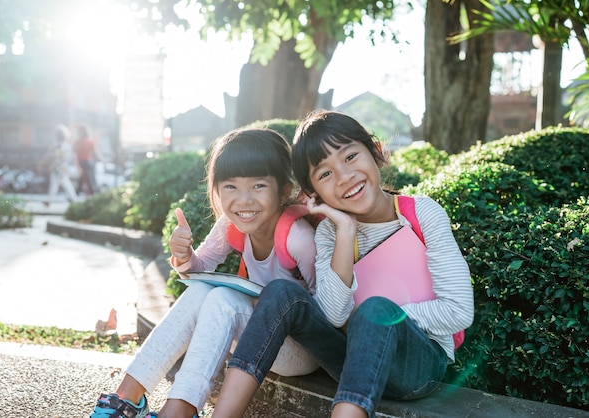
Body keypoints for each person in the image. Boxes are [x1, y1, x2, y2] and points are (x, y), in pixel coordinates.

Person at [211, 110, 474, 418]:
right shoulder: (328, 232)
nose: (344, 176)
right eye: (325, 174)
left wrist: (373, 322)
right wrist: (345, 230)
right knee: (281, 292)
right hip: (350, 358)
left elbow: (458, 312)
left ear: (376, 151)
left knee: (375, 311)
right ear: (312, 194)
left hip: (418, 366)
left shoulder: (421, 214)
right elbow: (334, 315)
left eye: (350, 157)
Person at [89, 128, 319, 418]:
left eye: (258, 186)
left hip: (299, 350)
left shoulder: (298, 237)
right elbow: (199, 269)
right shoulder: (231, 225)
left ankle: (180, 411)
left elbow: (323, 314)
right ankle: (128, 396)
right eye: (230, 187)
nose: (243, 200)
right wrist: (183, 254)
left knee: (224, 300)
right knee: (202, 290)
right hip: (256, 338)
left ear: (284, 189)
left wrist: (274, 308)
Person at [42, 124, 78, 206]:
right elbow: (72, 157)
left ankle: (74, 199)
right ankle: (49, 200)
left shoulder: (58, 145)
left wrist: (42, 162)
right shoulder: (67, 145)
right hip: (64, 167)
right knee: (57, 184)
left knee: (63, 183)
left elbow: (50, 155)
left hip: (58, 168)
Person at [74, 124, 99, 195]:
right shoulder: (90, 141)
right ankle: (78, 192)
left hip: (82, 162)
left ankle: (79, 192)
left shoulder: (78, 142)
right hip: (88, 162)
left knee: (86, 178)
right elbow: (95, 152)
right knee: (87, 177)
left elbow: (75, 152)